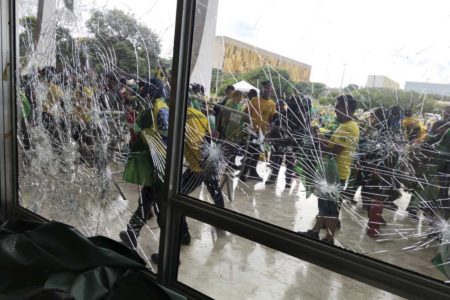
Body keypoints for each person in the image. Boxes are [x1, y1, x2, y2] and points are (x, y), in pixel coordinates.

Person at [120, 77, 191, 249]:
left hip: (159, 165)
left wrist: (139, 135)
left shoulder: (155, 109)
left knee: (160, 207)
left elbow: (148, 137)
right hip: (162, 164)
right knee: (149, 199)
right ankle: (133, 232)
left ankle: (170, 246)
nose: (141, 90)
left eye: (144, 87)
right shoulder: (160, 107)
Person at [300, 95, 359, 245]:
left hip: (337, 172)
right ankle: (315, 231)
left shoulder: (349, 127)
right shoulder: (343, 125)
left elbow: (334, 151)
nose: (335, 109)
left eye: (338, 106)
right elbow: (331, 144)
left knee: (331, 207)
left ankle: (329, 238)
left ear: (347, 109)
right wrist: (318, 133)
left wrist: (318, 136)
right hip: (330, 171)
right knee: (324, 203)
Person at [240, 80, 276, 182]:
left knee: (256, 153)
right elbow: (245, 114)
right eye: (266, 88)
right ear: (262, 89)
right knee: (249, 152)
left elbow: (271, 120)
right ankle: (243, 172)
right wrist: (249, 127)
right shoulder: (254, 100)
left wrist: (268, 132)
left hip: (262, 134)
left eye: (269, 88)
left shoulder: (272, 104)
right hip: (251, 131)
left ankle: (252, 172)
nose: (268, 90)